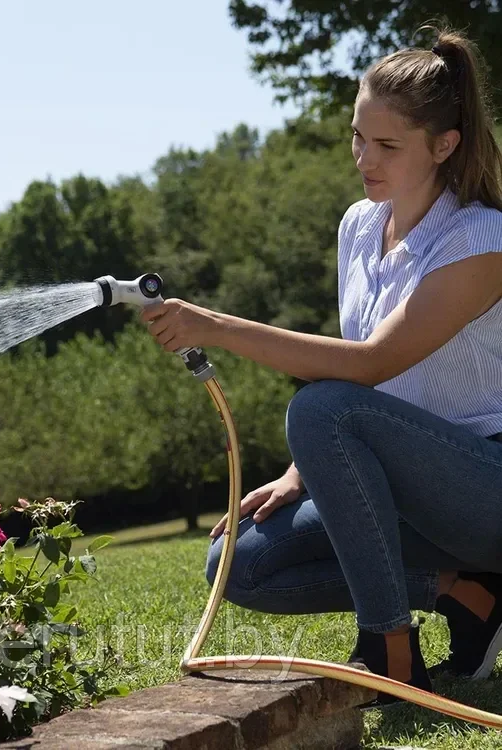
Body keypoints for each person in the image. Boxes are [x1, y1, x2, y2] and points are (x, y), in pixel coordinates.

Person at [140, 25, 502, 705]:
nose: (365, 158)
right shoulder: (359, 228)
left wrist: (211, 325)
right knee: (238, 563)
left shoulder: (480, 239)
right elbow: (378, 384)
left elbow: (369, 364)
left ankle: (391, 654)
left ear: (444, 145)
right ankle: (469, 597)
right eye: (358, 137)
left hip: (487, 489)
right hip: (412, 493)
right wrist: (304, 472)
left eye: (388, 145)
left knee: (318, 404)